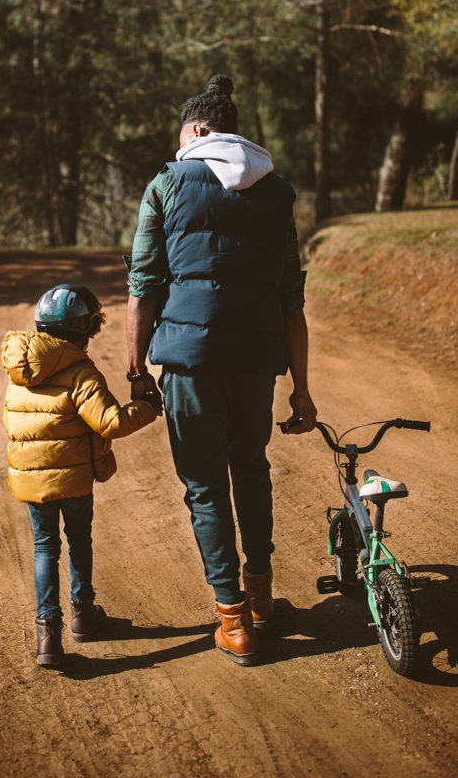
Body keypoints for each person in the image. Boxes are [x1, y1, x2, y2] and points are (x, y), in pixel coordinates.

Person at [125, 75, 318, 666]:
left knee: (205, 485)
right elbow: (292, 298)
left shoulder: (165, 184)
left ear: (200, 130)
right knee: (251, 470)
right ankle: (260, 598)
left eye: (183, 136)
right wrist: (303, 391)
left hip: (191, 362)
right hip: (258, 362)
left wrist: (135, 370)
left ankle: (234, 622)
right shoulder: (278, 192)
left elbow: (143, 287)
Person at [1, 283, 161, 668]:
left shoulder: (19, 372)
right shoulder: (80, 372)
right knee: (78, 540)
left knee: (44, 548)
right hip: (73, 481)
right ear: (83, 331)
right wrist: (148, 406)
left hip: (31, 481)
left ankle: (48, 639)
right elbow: (111, 422)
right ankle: (83, 616)